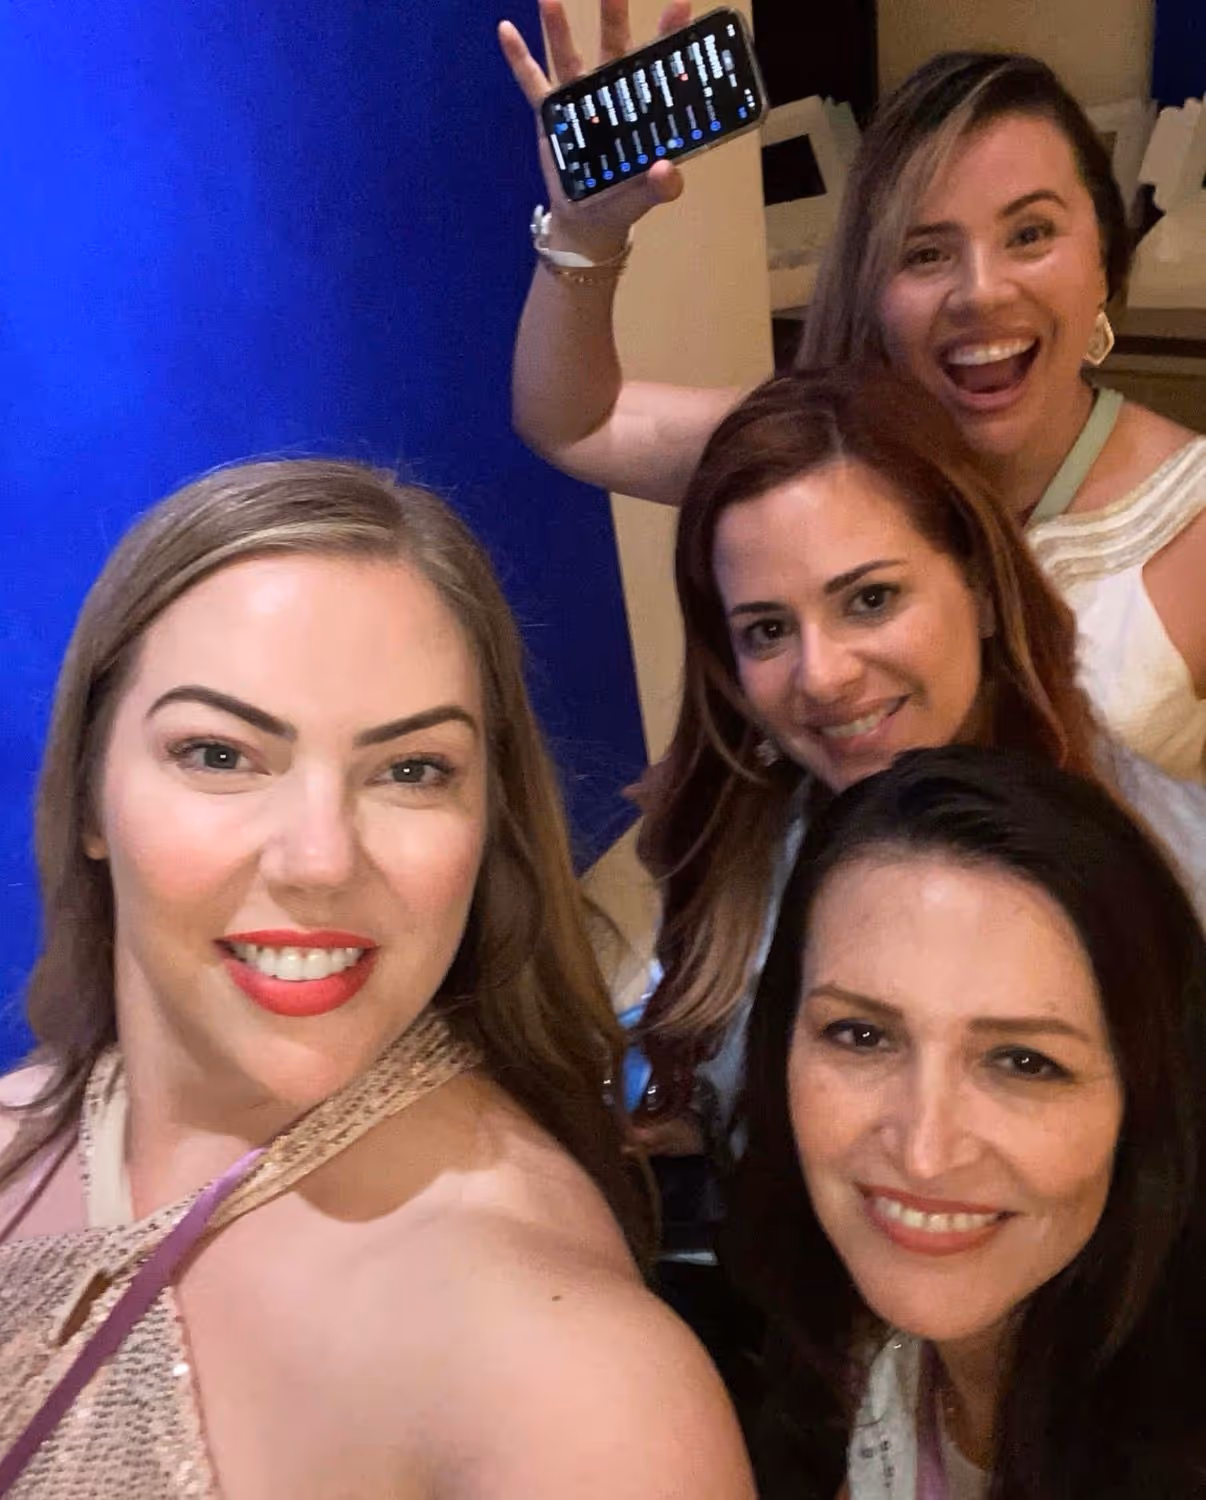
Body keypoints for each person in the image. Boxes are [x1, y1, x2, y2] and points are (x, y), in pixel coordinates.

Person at [0, 460, 755, 1499]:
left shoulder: (571, 1386)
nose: (319, 860)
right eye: (221, 754)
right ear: (89, 795)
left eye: (410, 770)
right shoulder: (32, 1130)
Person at [499, 5, 1206, 781]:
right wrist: (585, 235)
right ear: (873, 284)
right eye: (927, 251)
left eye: (1030, 235)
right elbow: (575, 420)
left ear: (1105, 255)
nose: (980, 291)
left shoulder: (1191, 518)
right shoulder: (822, 457)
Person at [629, 366, 1202, 1146]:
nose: (822, 675)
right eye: (768, 629)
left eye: (871, 599)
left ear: (986, 592)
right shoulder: (740, 851)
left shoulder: (1169, 873)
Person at [730, 745, 1206, 1499]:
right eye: (861, 1035)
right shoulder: (859, 1350)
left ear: (1149, 1100)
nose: (924, 1152)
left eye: (1023, 1061)